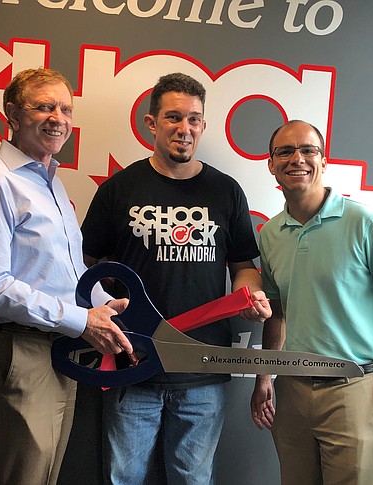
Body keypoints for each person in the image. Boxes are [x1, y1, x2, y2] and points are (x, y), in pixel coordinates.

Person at [81, 72, 272, 484]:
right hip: (133, 361)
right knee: (123, 477)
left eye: (194, 119)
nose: (184, 129)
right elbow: (84, 263)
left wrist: (249, 296)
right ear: (151, 123)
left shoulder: (226, 191)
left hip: (202, 368)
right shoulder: (119, 189)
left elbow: (243, 267)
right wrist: (98, 316)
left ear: (203, 125)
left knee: (193, 479)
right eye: (173, 117)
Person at [0, 68, 135, 485]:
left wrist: (97, 310)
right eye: (44, 106)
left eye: (65, 108)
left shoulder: (51, 183)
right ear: (13, 115)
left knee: (46, 477)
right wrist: (81, 320)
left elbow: (63, 273)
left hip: (63, 352)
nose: (58, 117)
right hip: (23, 351)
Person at [250, 120, 373, 485]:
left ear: (323, 161)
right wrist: (264, 377)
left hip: (355, 388)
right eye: (285, 151)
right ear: (271, 164)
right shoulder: (270, 234)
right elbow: (277, 314)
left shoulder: (366, 223)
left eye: (308, 150)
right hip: (292, 388)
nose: (297, 158)